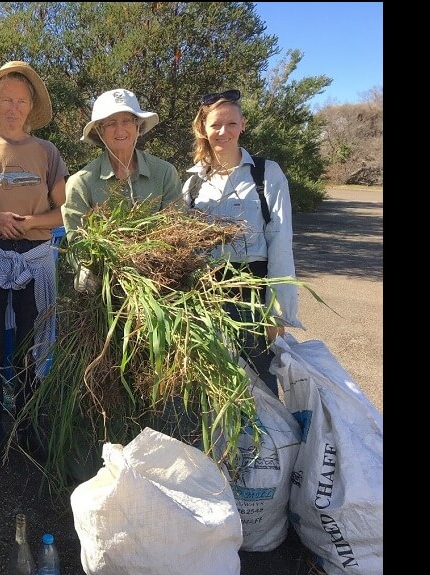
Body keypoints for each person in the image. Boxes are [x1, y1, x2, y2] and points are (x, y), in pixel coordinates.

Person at [0, 61, 69, 469]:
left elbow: (64, 211)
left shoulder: (47, 153)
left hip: (36, 259)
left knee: (30, 351)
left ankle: (29, 432)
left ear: (30, 106)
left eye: (21, 100)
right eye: (6, 99)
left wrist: (28, 223)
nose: (13, 107)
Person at [182, 88, 304, 394]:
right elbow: (184, 245)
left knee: (261, 383)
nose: (224, 132)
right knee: (213, 384)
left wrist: (276, 313)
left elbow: (280, 240)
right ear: (203, 128)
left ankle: (268, 443)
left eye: (232, 124)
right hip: (207, 297)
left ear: (243, 125)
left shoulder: (266, 173)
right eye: (215, 125)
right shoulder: (194, 183)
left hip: (252, 295)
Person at [62, 88, 183, 293]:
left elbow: (177, 226)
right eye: (110, 123)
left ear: (138, 126)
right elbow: (78, 242)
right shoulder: (81, 183)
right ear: (99, 131)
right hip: (105, 287)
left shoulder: (164, 173)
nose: (120, 130)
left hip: (160, 281)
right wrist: (83, 269)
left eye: (127, 120)